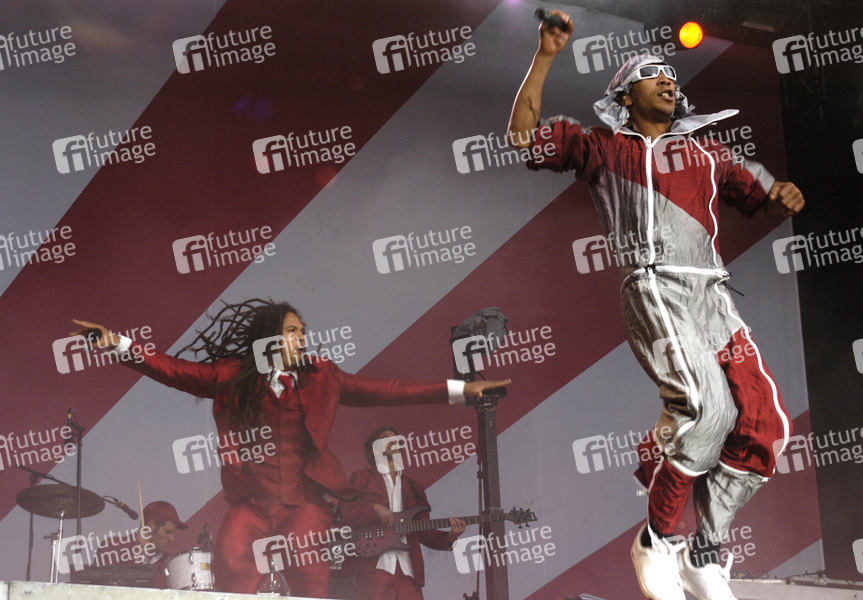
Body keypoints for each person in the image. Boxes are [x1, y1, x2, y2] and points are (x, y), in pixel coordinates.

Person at [507, 11, 804, 600]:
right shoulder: (602, 148)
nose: (668, 80)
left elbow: (763, 193)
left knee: (768, 425)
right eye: (652, 75)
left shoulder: (707, 154)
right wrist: (545, 56)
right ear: (624, 95)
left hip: (712, 295)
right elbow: (521, 137)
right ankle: (657, 539)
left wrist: (780, 194)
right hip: (654, 286)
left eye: (671, 75)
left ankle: (704, 554)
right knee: (706, 411)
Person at [71, 299, 509, 598]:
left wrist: (461, 390)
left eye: (302, 332)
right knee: (231, 558)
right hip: (253, 503)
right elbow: (173, 370)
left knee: (309, 568)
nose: (301, 338)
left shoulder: (322, 377)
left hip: (304, 503)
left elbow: (387, 389)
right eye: (292, 331)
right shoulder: (232, 376)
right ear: (269, 338)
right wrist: (117, 344)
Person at [339, 426, 466, 600]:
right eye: (386, 439)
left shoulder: (414, 487)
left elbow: (424, 532)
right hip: (374, 568)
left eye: (396, 440)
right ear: (375, 448)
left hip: (408, 571)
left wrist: (450, 537)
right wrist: (373, 508)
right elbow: (344, 514)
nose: (393, 442)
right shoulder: (362, 478)